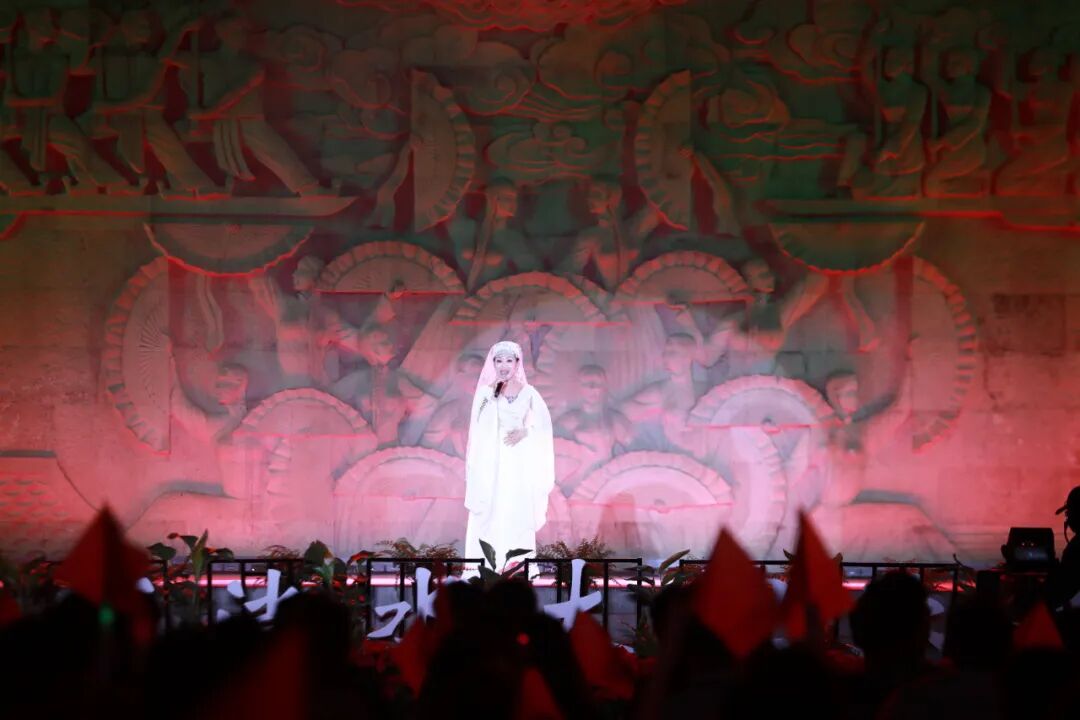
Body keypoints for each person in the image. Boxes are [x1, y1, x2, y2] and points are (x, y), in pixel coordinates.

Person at [463, 340, 555, 576]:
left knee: (516, 509)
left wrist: (526, 432)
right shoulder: (486, 393)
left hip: (518, 461)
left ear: (517, 363)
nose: (503, 365)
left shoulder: (529, 392)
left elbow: (544, 426)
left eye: (508, 360)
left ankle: (516, 566)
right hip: (490, 462)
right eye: (499, 361)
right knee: (490, 508)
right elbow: (477, 429)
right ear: (493, 363)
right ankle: (484, 568)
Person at [1044, 486, 1080, 611]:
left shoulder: (1076, 548)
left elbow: (1057, 595)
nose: (1067, 517)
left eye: (1069, 512)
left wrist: (1052, 567)